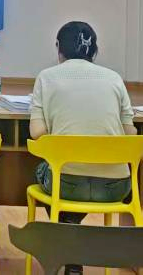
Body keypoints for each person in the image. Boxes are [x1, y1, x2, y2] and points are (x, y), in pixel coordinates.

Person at [29, 22, 135, 275]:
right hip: (116, 187)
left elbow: (37, 134)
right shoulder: (114, 79)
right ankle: (74, 242)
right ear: (94, 51)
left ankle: (70, 242)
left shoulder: (46, 77)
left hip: (66, 183)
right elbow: (130, 134)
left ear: (58, 47)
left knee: (42, 171)